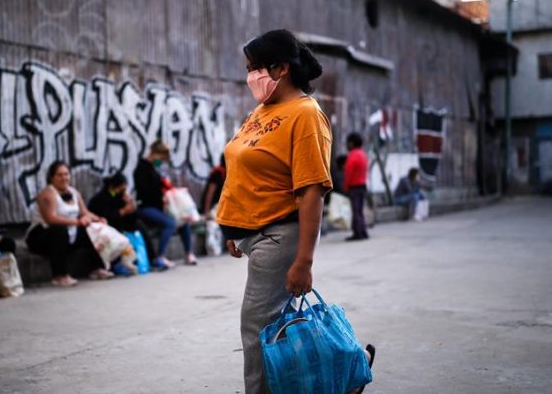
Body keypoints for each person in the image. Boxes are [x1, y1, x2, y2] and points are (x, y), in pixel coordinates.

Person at [216, 29, 373, 393]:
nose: (250, 75)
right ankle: (351, 366)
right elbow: (245, 168)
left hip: (280, 233)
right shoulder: (262, 111)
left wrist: (304, 260)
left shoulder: (306, 115)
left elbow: (312, 190)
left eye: (255, 67)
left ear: (281, 68)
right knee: (285, 321)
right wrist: (234, 228)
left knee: (256, 327)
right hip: (253, 232)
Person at [26, 161, 109, 286]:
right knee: (59, 230)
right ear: (51, 177)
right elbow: (51, 219)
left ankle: (96, 268)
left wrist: (98, 219)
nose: (64, 178)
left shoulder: (74, 192)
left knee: (93, 228)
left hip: (69, 235)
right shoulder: (47, 194)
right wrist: (77, 222)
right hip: (42, 236)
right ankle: (59, 275)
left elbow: (84, 212)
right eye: (59, 175)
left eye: (66, 174)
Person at [134, 140, 198, 268]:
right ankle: (160, 257)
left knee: (183, 220)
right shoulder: (142, 169)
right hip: (146, 207)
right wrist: (162, 199)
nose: (162, 160)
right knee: (170, 223)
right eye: (161, 157)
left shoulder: (154, 168)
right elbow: (146, 192)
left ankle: (188, 253)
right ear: (155, 153)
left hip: (159, 207)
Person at [88, 172, 157, 266]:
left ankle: (153, 258)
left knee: (139, 225)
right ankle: (117, 264)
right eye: (122, 188)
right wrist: (123, 211)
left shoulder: (120, 196)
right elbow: (107, 218)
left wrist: (131, 207)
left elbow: (131, 217)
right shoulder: (101, 199)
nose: (124, 190)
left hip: (121, 224)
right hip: (105, 227)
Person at [343, 133, 369, 241]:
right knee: (360, 210)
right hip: (363, 185)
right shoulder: (363, 154)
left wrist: (345, 186)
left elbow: (349, 172)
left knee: (355, 211)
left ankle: (357, 233)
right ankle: (363, 231)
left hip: (354, 186)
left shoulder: (352, 155)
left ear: (352, 143)